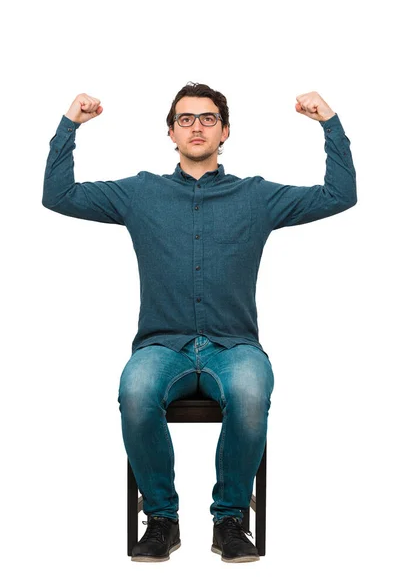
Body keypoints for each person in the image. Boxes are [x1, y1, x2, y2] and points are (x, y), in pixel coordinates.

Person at [42, 82, 357, 563]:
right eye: (186, 119)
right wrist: (70, 126)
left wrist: (329, 123)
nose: (196, 126)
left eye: (208, 118)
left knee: (252, 390)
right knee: (136, 390)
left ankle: (229, 520)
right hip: (161, 346)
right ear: (171, 132)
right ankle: (162, 520)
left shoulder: (255, 196)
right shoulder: (141, 193)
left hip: (233, 347)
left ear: (224, 130)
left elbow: (340, 194)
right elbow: (58, 194)